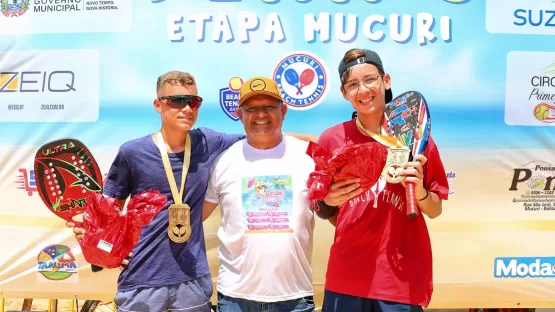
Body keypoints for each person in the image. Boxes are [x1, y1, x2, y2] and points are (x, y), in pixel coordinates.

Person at [66, 71, 316, 312]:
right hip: (141, 278)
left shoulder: (209, 142)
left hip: (192, 280)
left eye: (193, 101)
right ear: (158, 105)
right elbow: (106, 214)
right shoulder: (132, 152)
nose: (187, 108)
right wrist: (101, 246)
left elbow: (261, 134)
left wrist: (319, 143)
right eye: (177, 101)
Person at [313, 49, 450, 312]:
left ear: (385, 81)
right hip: (347, 278)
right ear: (344, 93)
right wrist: (328, 199)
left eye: (370, 79)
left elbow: (435, 209)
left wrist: (419, 191)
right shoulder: (331, 139)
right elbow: (320, 204)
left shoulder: (417, 137)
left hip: (399, 280)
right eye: (353, 84)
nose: (363, 90)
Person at [202, 76, 316, 312]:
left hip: (295, 298)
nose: (261, 115)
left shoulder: (309, 156)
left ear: (283, 111)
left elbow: (336, 210)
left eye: (269, 107)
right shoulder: (224, 161)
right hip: (235, 298)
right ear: (240, 114)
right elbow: (194, 218)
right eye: (252, 108)